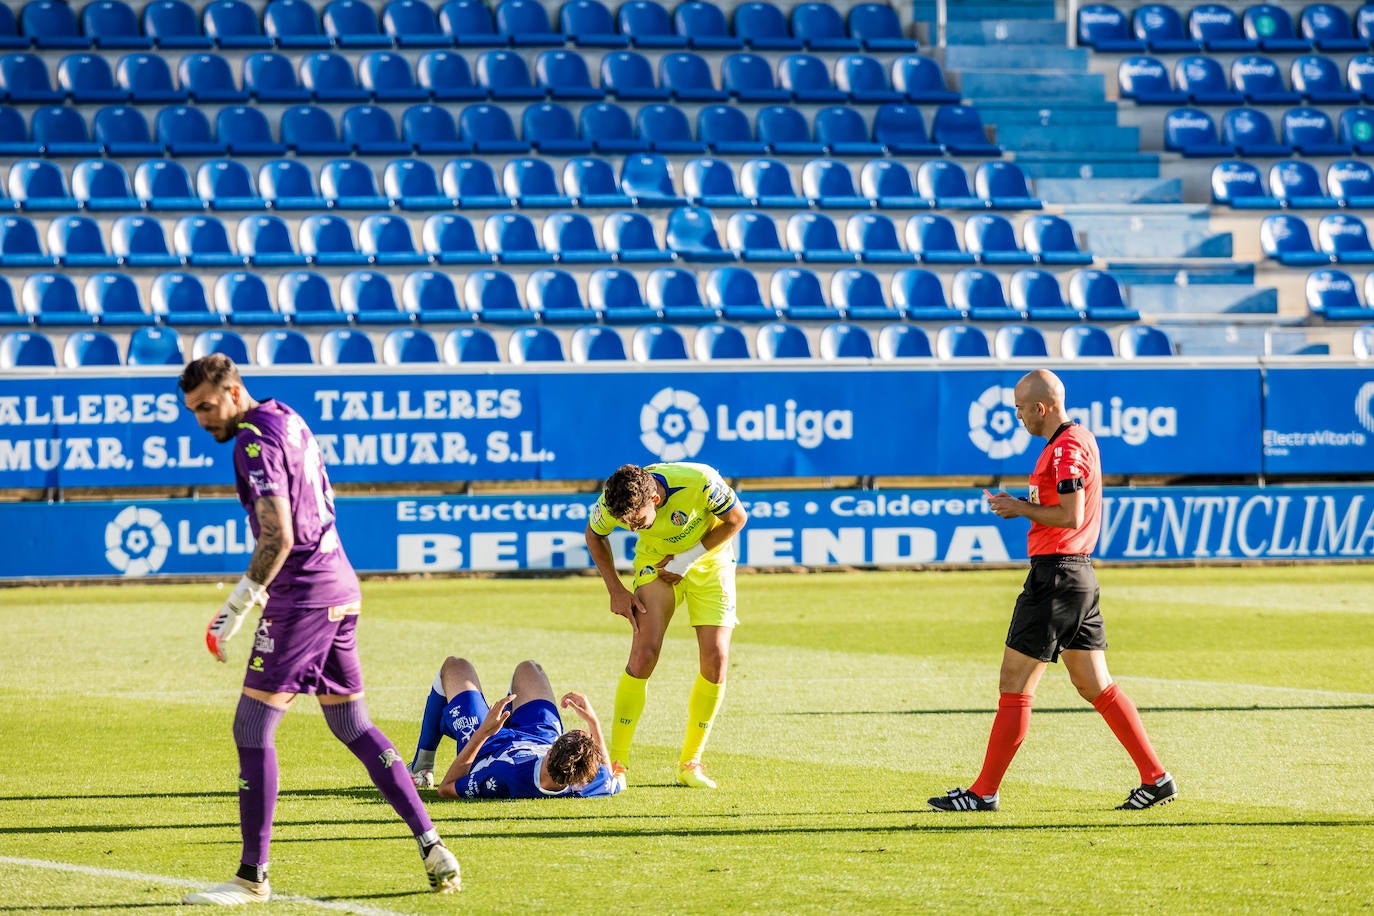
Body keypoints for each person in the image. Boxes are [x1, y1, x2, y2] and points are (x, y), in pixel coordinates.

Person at [177, 354, 460, 905]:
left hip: (302, 596)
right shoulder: (288, 417)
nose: (202, 419)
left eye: (208, 406)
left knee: (252, 725)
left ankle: (251, 877)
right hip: (340, 585)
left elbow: (277, 535)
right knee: (354, 724)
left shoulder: (251, 442)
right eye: (193, 410)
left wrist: (234, 609)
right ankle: (433, 846)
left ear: (233, 391)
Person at [929, 369, 1177, 813]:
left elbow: (1071, 515)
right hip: (1076, 575)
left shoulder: (1065, 448)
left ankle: (983, 791)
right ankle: (1156, 777)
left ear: (1041, 408)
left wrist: (1017, 508)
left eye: (1021, 409)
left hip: (1057, 577)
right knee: (1094, 684)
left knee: (1014, 682)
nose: (1018, 416)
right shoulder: (1076, 439)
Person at [584, 462, 748, 790]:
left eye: (638, 521)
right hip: (655, 565)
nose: (632, 530)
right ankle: (616, 763)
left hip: (710, 564)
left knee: (716, 659)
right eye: (625, 523)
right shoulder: (613, 500)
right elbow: (594, 534)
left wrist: (686, 560)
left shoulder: (700, 481)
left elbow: (737, 519)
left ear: (655, 500)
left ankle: (691, 763)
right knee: (644, 653)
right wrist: (615, 589)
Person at [407, 657, 620, 799]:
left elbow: (446, 788)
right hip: (539, 735)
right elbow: (611, 777)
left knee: (455, 666)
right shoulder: (587, 782)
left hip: (488, 745)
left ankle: (421, 767)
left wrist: (485, 731)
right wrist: (594, 723)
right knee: (530, 668)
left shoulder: (504, 775)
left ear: (551, 751)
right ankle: (508, 712)